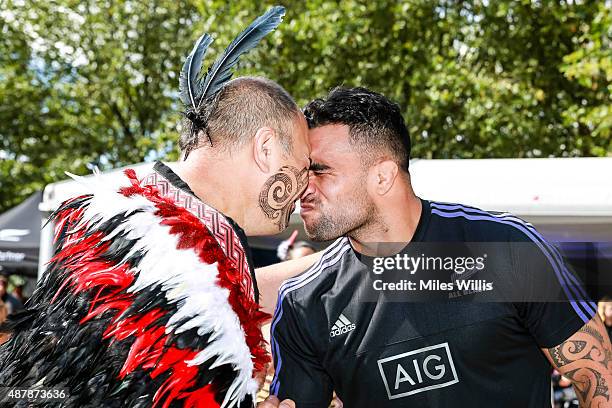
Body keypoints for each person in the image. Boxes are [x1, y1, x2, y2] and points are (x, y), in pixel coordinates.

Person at [0, 7, 301, 408]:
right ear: (265, 149)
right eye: (303, 162)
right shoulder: (177, 276)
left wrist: (355, 255)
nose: (306, 180)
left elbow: (233, 294)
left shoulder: (150, 225)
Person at [268, 87, 612, 407]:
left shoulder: (506, 247)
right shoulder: (304, 303)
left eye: (320, 171)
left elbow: (596, 378)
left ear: (383, 176)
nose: (302, 188)